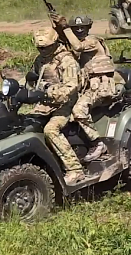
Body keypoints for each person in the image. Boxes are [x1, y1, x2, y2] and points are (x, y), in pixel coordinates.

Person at [50, 13, 117, 162]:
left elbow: (77, 47)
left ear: (88, 27)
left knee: (78, 110)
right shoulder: (75, 41)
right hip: (87, 86)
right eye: (76, 28)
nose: (79, 30)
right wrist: (59, 28)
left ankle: (97, 144)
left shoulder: (92, 41)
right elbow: (65, 45)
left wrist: (66, 27)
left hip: (100, 86)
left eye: (83, 27)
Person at [29, 27, 86, 185]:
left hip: (66, 104)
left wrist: (49, 92)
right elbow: (34, 80)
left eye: (45, 47)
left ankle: (75, 169)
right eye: (40, 48)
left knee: (50, 130)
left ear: (54, 43)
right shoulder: (40, 60)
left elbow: (71, 88)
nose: (42, 50)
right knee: (27, 124)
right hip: (45, 103)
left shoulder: (67, 60)